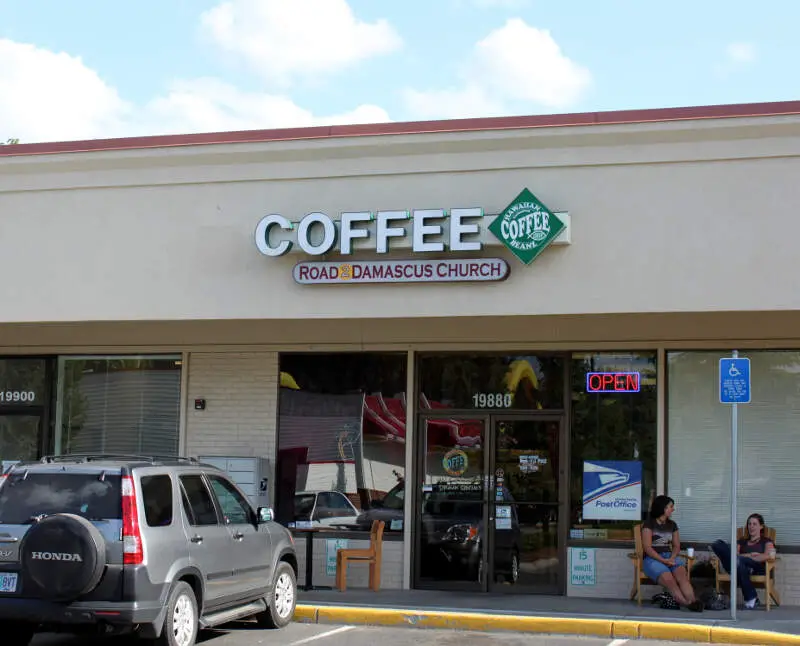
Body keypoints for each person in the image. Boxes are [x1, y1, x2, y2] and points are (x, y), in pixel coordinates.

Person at [642, 495, 703, 612]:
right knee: (670, 580)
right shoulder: (649, 524)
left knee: (682, 576)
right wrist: (663, 561)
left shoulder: (672, 525)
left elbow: (676, 546)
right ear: (663, 508)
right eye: (671, 506)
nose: (673, 509)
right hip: (652, 559)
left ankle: (693, 601)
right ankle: (686, 603)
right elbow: (647, 548)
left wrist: (672, 557)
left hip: (669, 557)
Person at [710, 512, 776, 609]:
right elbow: (734, 556)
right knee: (717, 544)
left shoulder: (766, 541)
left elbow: (769, 556)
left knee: (738, 561)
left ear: (761, 526)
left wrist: (749, 557)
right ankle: (752, 597)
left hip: (757, 568)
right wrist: (749, 555)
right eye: (749, 524)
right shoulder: (742, 541)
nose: (751, 527)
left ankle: (751, 596)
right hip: (738, 565)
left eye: (754, 524)